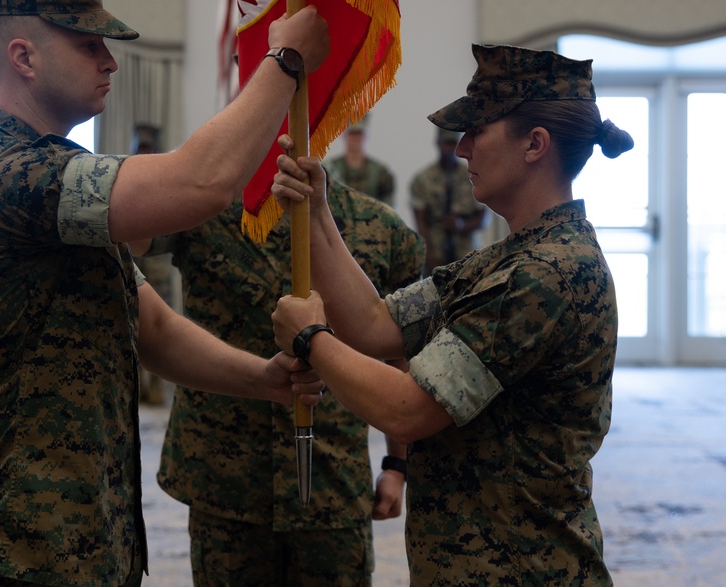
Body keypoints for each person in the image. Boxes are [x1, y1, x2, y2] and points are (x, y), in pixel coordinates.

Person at [0, 0, 328, 587]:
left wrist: (266, 381)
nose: (109, 61)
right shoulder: (2, 173)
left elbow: (153, 328)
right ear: (23, 58)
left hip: (87, 541)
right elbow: (203, 182)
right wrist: (283, 64)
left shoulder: (56, 177)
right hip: (16, 548)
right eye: (88, 45)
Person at [271, 43, 635, 586]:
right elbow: (376, 327)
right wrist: (319, 215)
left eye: (477, 130)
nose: (461, 148)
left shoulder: (545, 274)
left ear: (535, 144)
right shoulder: (508, 259)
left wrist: (311, 341)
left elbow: (410, 411)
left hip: (520, 568)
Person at [134, 176, 424, 586]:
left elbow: (400, 354)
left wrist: (396, 465)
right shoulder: (206, 208)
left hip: (332, 483)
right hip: (225, 481)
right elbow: (132, 231)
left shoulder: (380, 228)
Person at [128, 123, 172, 405]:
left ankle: (155, 388)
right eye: (140, 148)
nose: (144, 152)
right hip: (134, 262)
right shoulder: (128, 173)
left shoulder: (165, 174)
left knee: (160, 327)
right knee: (132, 325)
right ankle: (137, 388)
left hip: (157, 265)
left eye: (148, 148)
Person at [409, 127, 486, 270]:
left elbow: (483, 219)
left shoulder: (473, 176)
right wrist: (428, 257)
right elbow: (421, 223)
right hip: (436, 255)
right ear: (437, 143)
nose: (449, 148)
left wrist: (461, 225)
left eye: (453, 143)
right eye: (446, 143)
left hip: (469, 256)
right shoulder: (422, 180)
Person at [323, 112, 395, 205]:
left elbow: (388, 208)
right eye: (352, 133)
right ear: (344, 135)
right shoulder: (328, 169)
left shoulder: (381, 172)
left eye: (359, 133)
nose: (356, 138)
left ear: (366, 136)